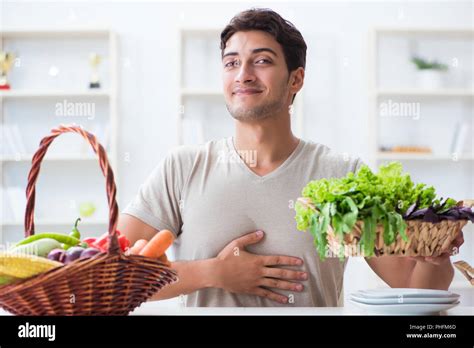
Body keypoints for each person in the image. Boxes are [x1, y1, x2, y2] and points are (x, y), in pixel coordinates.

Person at [119, 8, 463, 307]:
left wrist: (434, 257)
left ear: (296, 79)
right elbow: (116, 275)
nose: (243, 74)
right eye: (232, 63)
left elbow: (412, 285)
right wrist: (215, 273)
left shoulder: (343, 175)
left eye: (262, 60)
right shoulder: (182, 168)